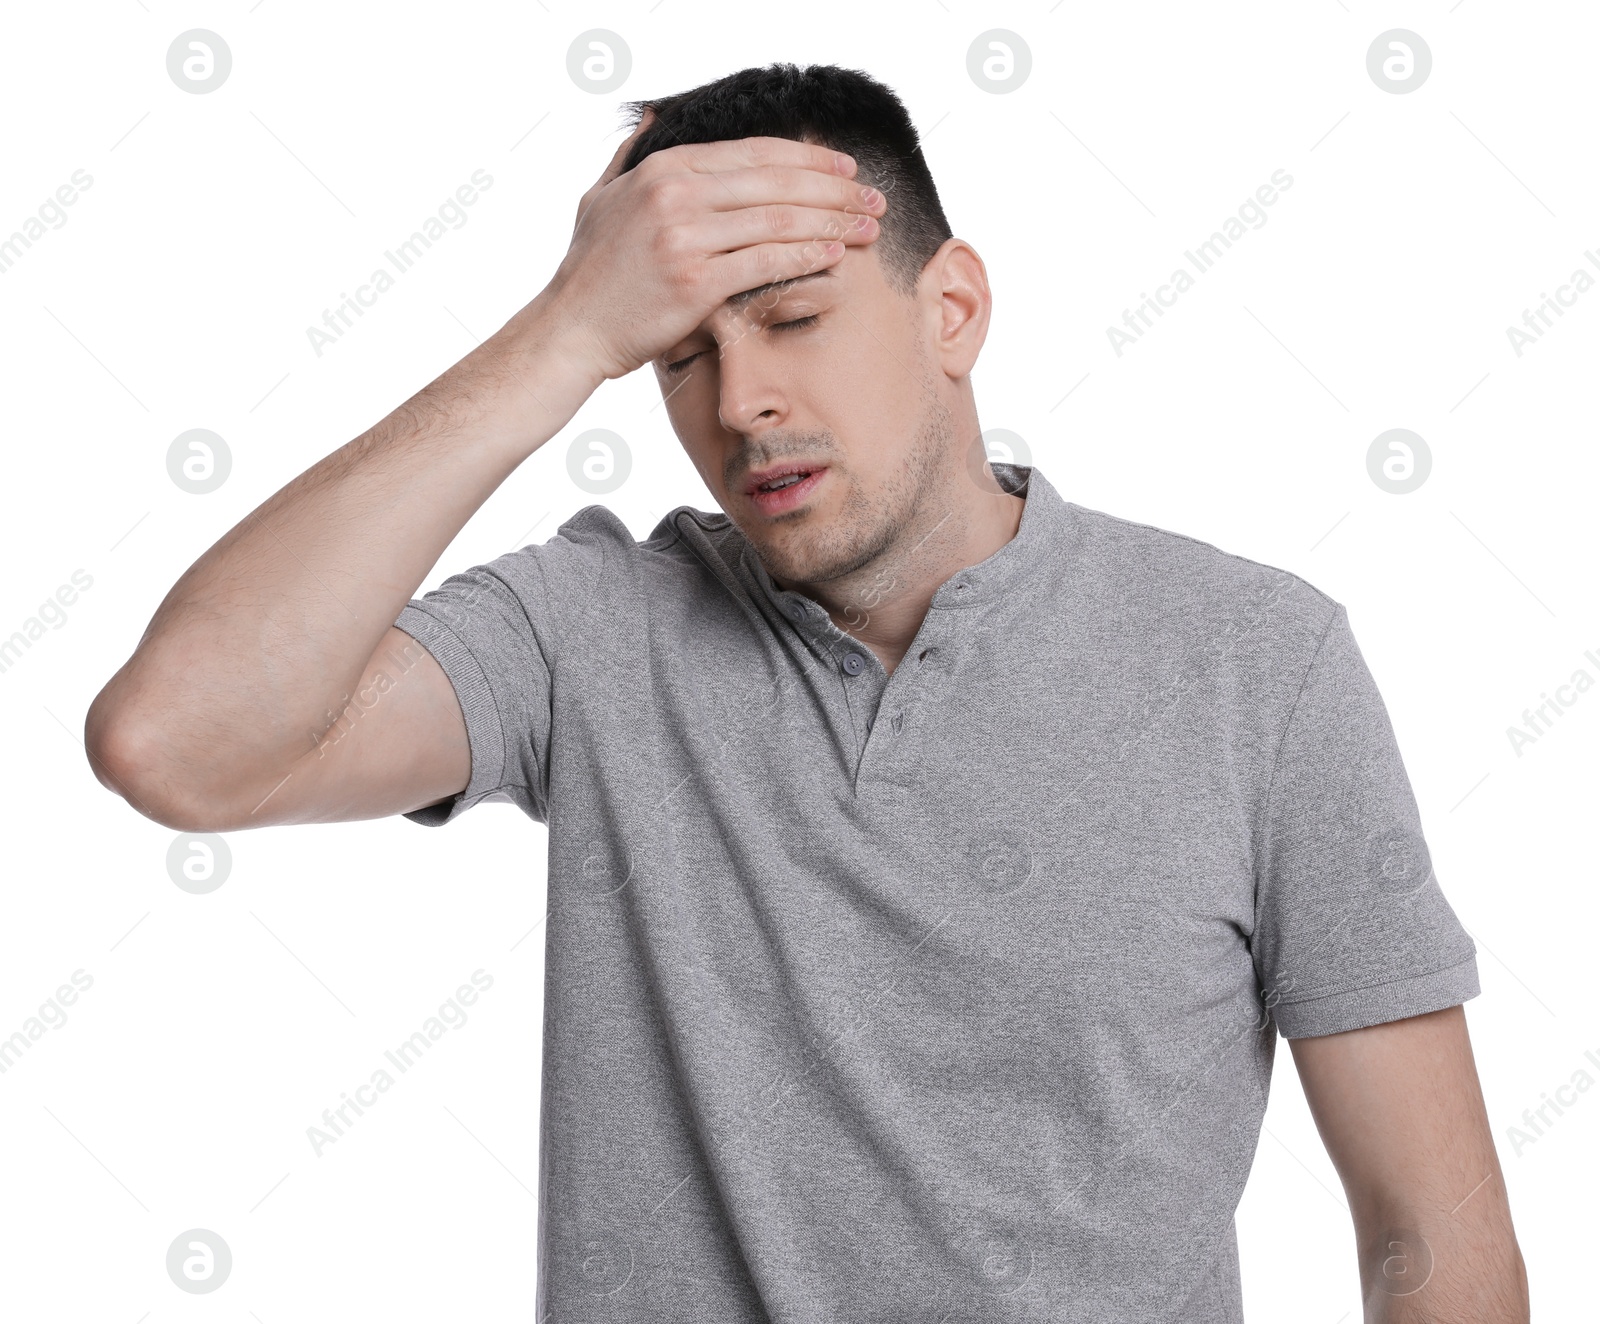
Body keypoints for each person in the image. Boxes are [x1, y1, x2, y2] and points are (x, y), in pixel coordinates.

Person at [86, 62, 1527, 1323]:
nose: (740, 403)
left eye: (791, 319)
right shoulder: (591, 628)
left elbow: (1431, 1237)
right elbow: (178, 744)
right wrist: (563, 333)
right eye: (681, 354)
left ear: (952, 308)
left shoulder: (1256, 664)